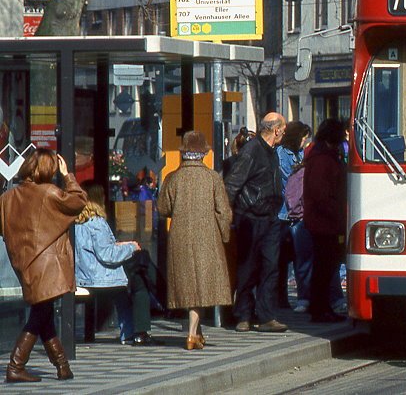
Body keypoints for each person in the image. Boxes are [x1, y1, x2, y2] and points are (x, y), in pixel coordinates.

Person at [0, 148, 87, 382]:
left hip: (23, 263)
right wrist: (68, 175)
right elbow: (78, 201)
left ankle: (62, 366)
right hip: (47, 263)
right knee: (39, 314)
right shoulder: (49, 192)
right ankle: (16, 365)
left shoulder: (7, 198)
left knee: (44, 311)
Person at [157, 131, 233, 350]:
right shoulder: (213, 178)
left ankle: (196, 333)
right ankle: (191, 334)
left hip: (179, 237)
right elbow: (224, 212)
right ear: (204, 153)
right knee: (201, 287)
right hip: (207, 238)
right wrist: (224, 236)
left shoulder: (173, 177)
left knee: (189, 286)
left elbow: (163, 208)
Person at [223, 112, 289, 333]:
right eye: (284, 129)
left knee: (270, 266)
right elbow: (232, 184)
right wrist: (228, 216)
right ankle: (243, 315)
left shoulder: (272, 152)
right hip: (250, 217)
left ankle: (266, 316)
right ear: (276, 129)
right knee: (247, 268)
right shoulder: (252, 150)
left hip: (270, 217)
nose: (285, 133)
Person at [74, 183, 154, 345]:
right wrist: (131, 247)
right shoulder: (96, 223)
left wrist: (119, 245)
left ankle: (129, 332)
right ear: (98, 199)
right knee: (135, 286)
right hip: (100, 278)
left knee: (123, 292)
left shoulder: (75, 223)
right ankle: (132, 333)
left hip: (82, 276)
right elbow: (107, 255)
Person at [303, 118, 347, 322]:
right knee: (324, 267)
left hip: (325, 221)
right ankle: (319, 308)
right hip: (325, 223)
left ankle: (322, 306)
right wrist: (337, 216)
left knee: (326, 267)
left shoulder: (324, 156)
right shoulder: (323, 159)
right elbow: (321, 194)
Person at [275, 121, 312, 312]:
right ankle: (282, 297)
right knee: (284, 259)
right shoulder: (282, 154)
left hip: (294, 213)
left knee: (299, 256)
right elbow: (290, 181)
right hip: (284, 213)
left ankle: (299, 297)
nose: (305, 142)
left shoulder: (298, 154)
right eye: (304, 137)